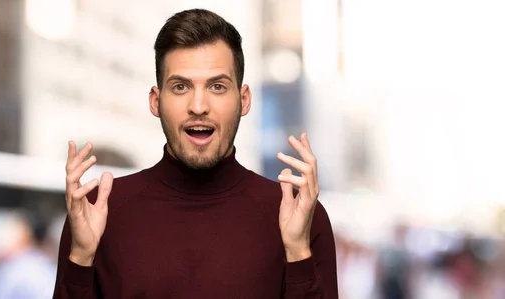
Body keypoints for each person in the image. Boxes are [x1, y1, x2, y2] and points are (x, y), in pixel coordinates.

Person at [53, 8, 338, 299]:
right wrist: (81, 260)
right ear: (156, 101)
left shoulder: (300, 215)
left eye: (217, 86)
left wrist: (298, 253)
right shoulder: (97, 212)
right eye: (180, 87)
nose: (198, 105)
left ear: (243, 100)